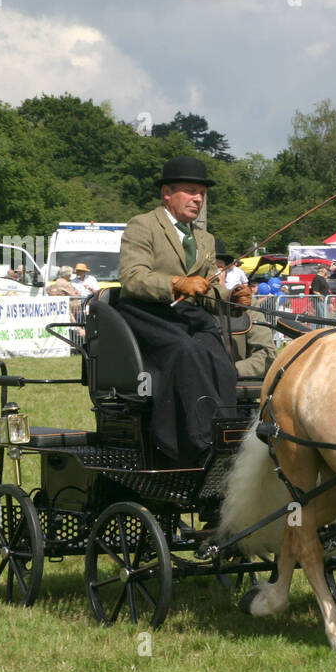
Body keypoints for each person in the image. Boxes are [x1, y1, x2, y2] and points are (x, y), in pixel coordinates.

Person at [117, 155, 237, 466]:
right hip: (146, 313)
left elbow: (207, 290)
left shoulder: (204, 239)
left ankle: (228, 433)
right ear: (167, 193)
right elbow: (132, 278)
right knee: (186, 351)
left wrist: (232, 296)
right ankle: (195, 442)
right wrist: (177, 283)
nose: (198, 199)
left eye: (202, 194)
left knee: (221, 359)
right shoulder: (142, 225)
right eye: (190, 191)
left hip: (187, 316)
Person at [226, 282, 276, 382]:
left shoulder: (245, 301)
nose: (216, 272)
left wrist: (231, 370)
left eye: (220, 267)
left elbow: (267, 356)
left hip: (233, 387)